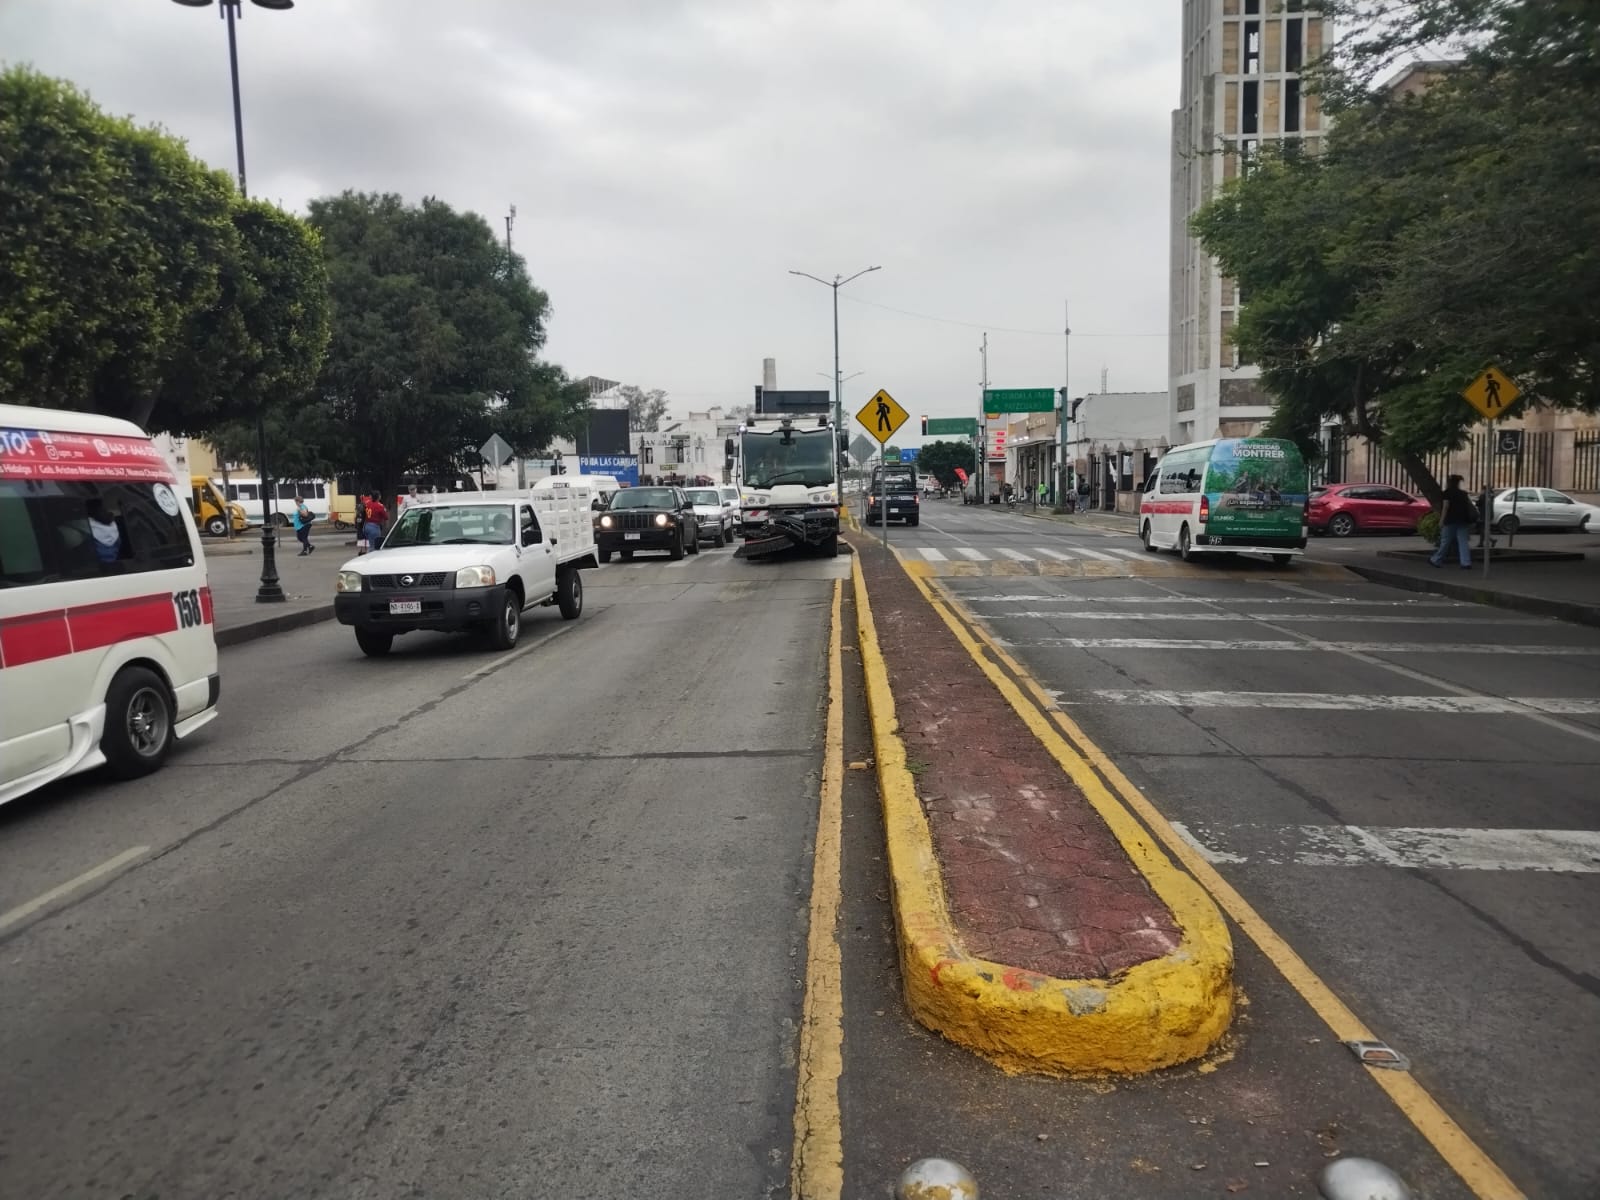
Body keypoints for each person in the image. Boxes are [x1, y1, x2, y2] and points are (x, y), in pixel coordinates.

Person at [1430, 475, 1477, 569]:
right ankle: (1466, 563)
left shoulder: (1447, 493)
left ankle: (1436, 560)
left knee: (1445, 541)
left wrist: (1441, 520)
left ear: (1449, 483)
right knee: (1463, 542)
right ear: (1458, 483)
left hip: (1450, 520)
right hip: (1463, 520)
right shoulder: (1463, 494)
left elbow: (1446, 507)